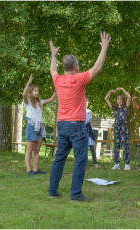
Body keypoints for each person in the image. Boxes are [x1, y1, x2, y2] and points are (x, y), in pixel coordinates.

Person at [48, 32, 111, 201]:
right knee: (80, 160)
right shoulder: (79, 79)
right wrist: (104, 48)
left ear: (65, 67)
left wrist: (53, 54)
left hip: (61, 125)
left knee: (59, 159)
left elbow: (52, 69)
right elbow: (97, 68)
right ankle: (75, 194)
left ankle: (52, 191)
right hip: (76, 125)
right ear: (75, 66)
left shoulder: (58, 80)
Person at [23, 74, 56, 176]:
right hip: (32, 126)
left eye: (38, 91)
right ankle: (29, 170)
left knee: (36, 150)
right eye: (35, 91)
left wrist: (57, 89)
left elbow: (51, 99)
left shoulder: (40, 102)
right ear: (31, 92)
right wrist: (29, 82)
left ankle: (36, 169)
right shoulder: (27, 102)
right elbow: (24, 94)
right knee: (29, 150)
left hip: (40, 127)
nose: (37, 92)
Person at [105, 87, 132, 170]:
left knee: (125, 146)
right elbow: (106, 99)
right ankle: (116, 163)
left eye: (121, 99)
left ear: (123, 100)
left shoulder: (125, 108)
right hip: (116, 129)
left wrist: (122, 89)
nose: (119, 101)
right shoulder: (114, 108)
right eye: (118, 99)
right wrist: (110, 91)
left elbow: (129, 97)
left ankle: (127, 164)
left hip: (124, 129)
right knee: (116, 146)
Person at [85, 98, 100, 168]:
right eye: (84, 101)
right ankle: (83, 163)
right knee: (83, 148)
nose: (85, 103)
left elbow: (90, 121)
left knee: (91, 147)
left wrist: (92, 131)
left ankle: (95, 163)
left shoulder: (89, 111)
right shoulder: (79, 110)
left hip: (88, 130)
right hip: (82, 130)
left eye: (87, 102)